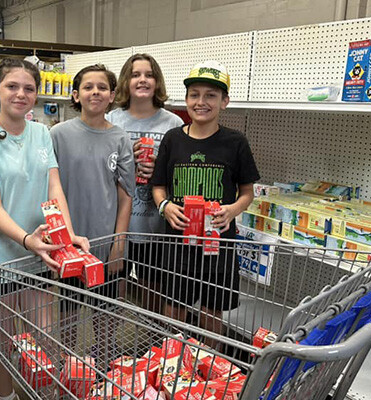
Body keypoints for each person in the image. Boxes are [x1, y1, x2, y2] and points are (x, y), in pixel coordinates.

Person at [0, 58, 89, 400]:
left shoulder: (41, 133)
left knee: (44, 334)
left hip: (39, 255)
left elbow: (54, 188)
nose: (21, 94)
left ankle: (41, 394)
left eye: (29, 88)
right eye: (12, 86)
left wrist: (67, 233)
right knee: (3, 339)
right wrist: (26, 239)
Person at [151, 61, 259, 339]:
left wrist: (232, 210)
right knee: (173, 310)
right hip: (177, 245)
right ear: (186, 100)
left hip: (218, 245)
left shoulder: (236, 142)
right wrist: (165, 206)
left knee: (212, 313)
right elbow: (158, 187)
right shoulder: (173, 139)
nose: (201, 102)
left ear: (225, 101)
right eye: (194, 94)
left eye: (211, 95)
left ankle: (210, 369)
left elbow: (247, 192)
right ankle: (171, 363)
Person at [50, 64, 134, 359]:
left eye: (102, 87)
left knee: (106, 309)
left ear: (112, 96)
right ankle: (68, 361)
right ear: (75, 95)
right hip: (69, 245)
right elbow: (50, 187)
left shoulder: (120, 139)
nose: (95, 92)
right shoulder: (58, 134)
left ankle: (103, 358)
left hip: (104, 242)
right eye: (88, 87)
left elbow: (126, 196)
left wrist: (118, 243)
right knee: (68, 309)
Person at [106, 53, 183, 313]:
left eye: (149, 75)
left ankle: (153, 344)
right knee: (114, 286)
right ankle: (107, 344)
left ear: (157, 81)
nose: (143, 80)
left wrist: (159, 173)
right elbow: (101, 170)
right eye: (136, 74)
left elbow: (179, 174)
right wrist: (130, 165)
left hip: (156, 225)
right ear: (126, 81)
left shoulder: (173, 123)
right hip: (118, 224)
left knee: (153, 289)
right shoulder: (112, 120)